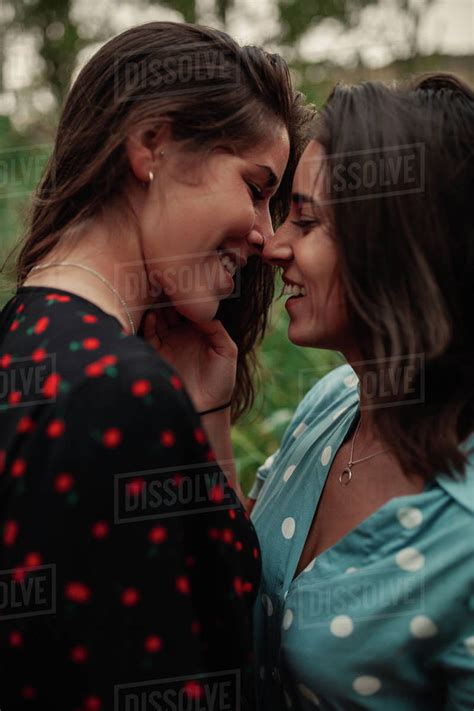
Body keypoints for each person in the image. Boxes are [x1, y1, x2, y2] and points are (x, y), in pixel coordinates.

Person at [0, 21, 312, 709]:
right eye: (255, 187)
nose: (265, 236)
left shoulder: (26, 340)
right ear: (153, 145)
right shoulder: (118, 392)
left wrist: (205, 411)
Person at [247, 73, 474, 709]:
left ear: (399, 247)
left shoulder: (463, 529)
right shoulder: (330, 405)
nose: (275, 244)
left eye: (308, 221)